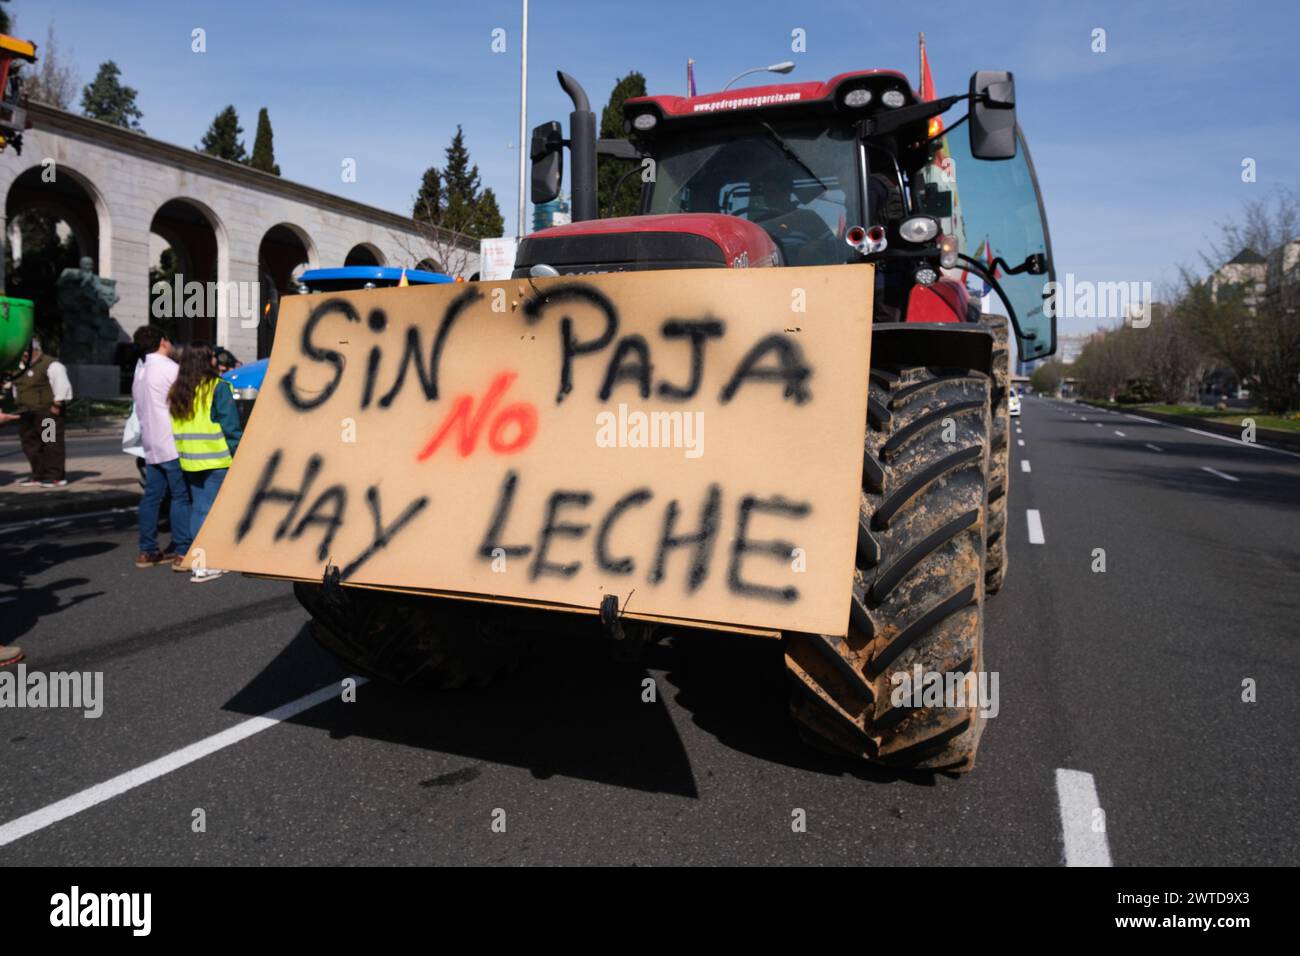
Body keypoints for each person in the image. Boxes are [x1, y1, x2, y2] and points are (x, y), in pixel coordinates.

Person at [168, 345, 242, 583]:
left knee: (199, 508)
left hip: (190, 459)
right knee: (206, 510)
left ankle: (200, 560)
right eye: (212, 357)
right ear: (206, 361)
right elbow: (230, 427)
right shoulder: (217, 388)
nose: (216, 361)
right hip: (216, 457)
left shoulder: (179, 389)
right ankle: (205, 564)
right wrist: (240, 455)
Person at [131, 326, 192, 570]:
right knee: (180, 496)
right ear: (163, 342)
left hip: (151, 444)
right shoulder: (171, 369)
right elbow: (187, 401)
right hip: (172, 441)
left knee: (151, 498)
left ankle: (147, 551)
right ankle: (182, 550)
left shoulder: (141, 372)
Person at [12, 338, 73, 487]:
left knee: (50, 443)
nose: (24, 355)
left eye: (27, 352)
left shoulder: (51, 364)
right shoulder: (19, 367)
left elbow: (62, 385)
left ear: (37, 350)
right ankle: (37, 474)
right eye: (23, 352)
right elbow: (16, 387)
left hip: (46, 412)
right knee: (30, 445)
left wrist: (57, 404)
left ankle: (55, 476)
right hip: (25, 412)